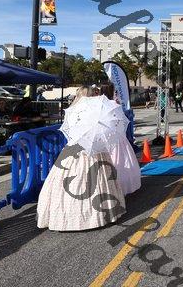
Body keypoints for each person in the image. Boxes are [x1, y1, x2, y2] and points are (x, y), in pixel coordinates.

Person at [36, 86, 126, 231]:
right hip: (92, 150)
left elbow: (71, 131)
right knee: (97, 180)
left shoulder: (74, 111)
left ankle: (64, 218)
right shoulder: (94, 111)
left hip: (73, 149)